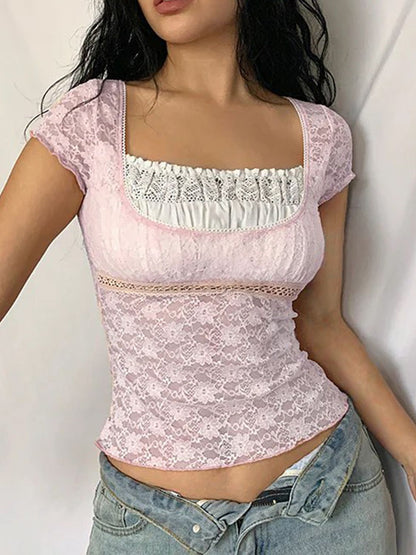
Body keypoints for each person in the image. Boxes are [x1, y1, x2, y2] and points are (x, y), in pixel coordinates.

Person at [2, 0, 415, 552]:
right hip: (152, 526)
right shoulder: (92, 123)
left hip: (328, 499)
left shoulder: (320, 136)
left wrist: (411, 451)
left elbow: (321, 323)